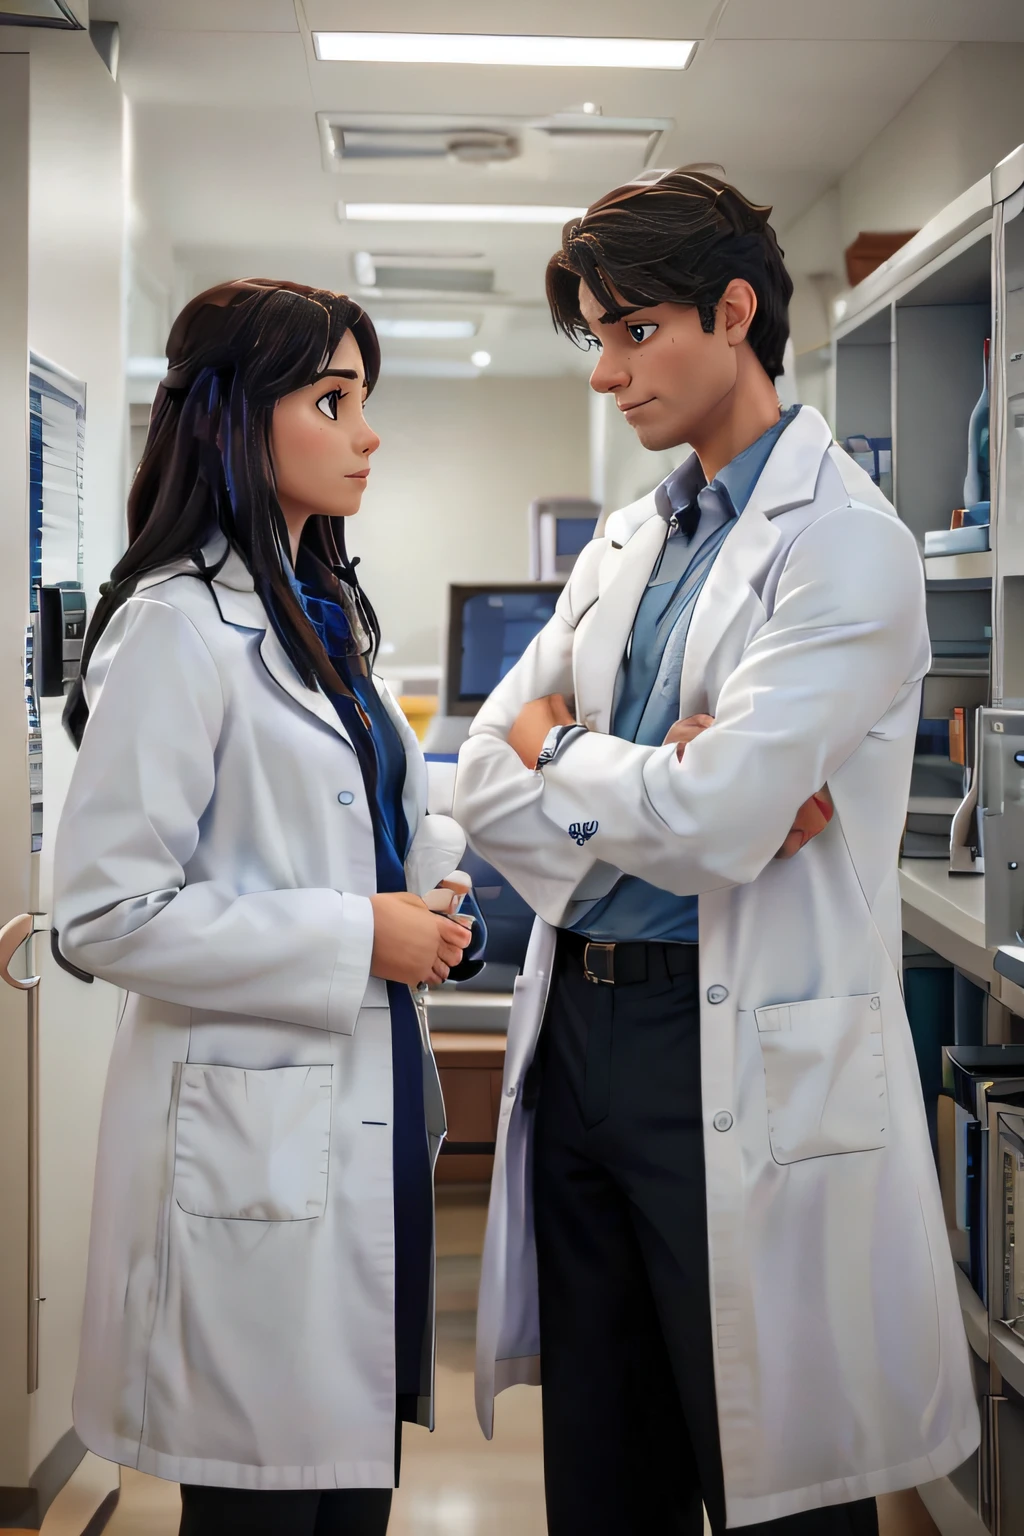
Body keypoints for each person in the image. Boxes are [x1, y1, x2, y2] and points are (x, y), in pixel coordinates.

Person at [454, 173, 979, 1534]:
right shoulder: (631, 535)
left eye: (634, 332)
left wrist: (569, 756)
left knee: (772, 1483)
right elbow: (473, 773)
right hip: (576, 1036)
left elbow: (717, 813)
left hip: (724, 1050)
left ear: (734, 310)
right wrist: (664, 781)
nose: (608, 375)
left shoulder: (847, 545)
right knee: (605, 1472)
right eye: (598, 340)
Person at [52, 279, 479, 1536]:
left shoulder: (325, 615)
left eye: (365, 400)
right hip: (253, 1143)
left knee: (346, 1495)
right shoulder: (178, 629)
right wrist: (359, 935)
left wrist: (429, 887)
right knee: (263, 1512)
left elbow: (377, 811)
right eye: (332, 400)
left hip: (362, 1103)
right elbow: (104, 914)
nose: (367, 433)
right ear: (237, 421)